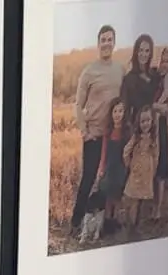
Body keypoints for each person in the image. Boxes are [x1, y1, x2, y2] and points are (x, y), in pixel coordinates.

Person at [70, 26, 124, 236]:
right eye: (103, 40)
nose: (107, 43)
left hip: (112, 136)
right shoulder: (89, 71)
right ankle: (76, 222)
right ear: (98, 43)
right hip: (94, 135)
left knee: (109, 180)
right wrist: (85, 132)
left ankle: (104, 223)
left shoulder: (119, 70)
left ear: (114, 42)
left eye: (110, 39)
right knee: (89, 178)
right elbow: (78, 105)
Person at [81, 96, 128, 241]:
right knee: (107, 195)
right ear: (111, 114)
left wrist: (127, 167)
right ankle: (106, 224)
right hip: (109, 167)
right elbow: (104, 152)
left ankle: (115, 221)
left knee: (117, 196)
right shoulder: (108, 132)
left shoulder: (126, 131)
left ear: (124, 112)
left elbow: (128, 152)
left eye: (120, 111)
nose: (118, 114)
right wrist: (101, 169)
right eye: (115, 111)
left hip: (121, 167)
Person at [123, 105, 160, 225]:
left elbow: (156, 154)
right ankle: (131, 224)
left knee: (143, 198)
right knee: (134, 198)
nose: (145, 124)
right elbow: (126, 151)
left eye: (148, 120)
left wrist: (154, 169)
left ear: (152, 121)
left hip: (147, 172)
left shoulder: (153, 138)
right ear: (138, 123)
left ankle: (138, 223)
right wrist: (129, 164)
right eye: (142, 121)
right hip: (137, 171)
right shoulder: (136, 137)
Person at [154, 48, 168, 212]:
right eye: (163, 60)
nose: (164, 64)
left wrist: (153, 105)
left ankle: (158, 208)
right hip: (153, 121)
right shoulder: (158, 76)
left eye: (167, 61)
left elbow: (163, 101)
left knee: (161, 164)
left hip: (160, 122)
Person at [122, 35, 161, 124]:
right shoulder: (129, 79)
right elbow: (126, 109)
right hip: (137, 126)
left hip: (155, 124)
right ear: (136, 52)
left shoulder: (155, 75)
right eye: (141, 50)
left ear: (150, 53)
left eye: (147, 51)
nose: (144, 54)